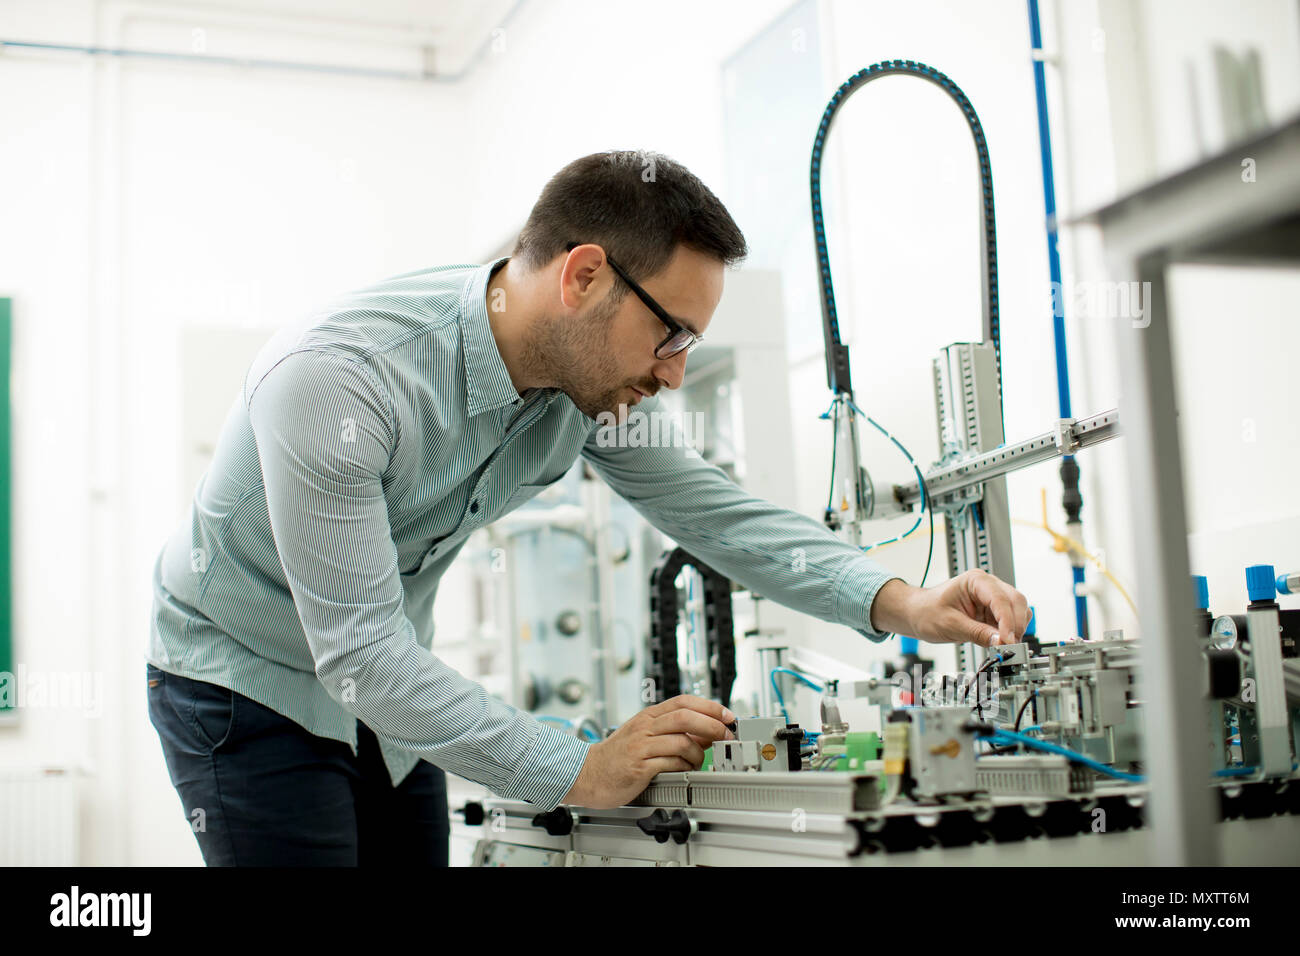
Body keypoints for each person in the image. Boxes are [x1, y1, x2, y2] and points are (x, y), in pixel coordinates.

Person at [147, 149, 1030, 866]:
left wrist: (903, 601)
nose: (675, 370)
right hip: (241, 680)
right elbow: (365, 658)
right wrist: (580, 767)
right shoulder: (340, 381)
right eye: (670, 334)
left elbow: (716, 515)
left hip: (383, 703)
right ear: (583, 278)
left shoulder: (585, 391)